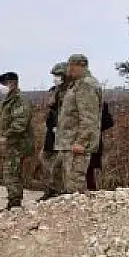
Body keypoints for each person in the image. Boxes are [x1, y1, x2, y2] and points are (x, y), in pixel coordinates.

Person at [53, 53, 103, 194]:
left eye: (71, 65)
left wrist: (81, 141)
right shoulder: (76, 84)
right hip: (68, 143)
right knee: (68, 187)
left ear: (79, 66)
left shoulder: (85, 85)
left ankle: (80, 215)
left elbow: (89, 117)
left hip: (76, 144)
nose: (68, 69)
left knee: (75, 188)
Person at [0, 71, 34, 209]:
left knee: (11, 173)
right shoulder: (8, 100)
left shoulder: (19, 100)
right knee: (10, 172)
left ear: (12, 83)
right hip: (11, 144)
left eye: (4, 84)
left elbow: (20, 123)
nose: (2, 87)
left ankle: (14, 203)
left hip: (18, 143)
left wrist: (7, 135)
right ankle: (13, 201)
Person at [39, 62, 70, 200]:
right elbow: (52, 112)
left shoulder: (71, 92)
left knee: (60, 165)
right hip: (52, 135)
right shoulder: (56, 91)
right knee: (45, 159)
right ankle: (51, 189)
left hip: (65, 136)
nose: (55, 78)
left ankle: (58, 190)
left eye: (58, 75)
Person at [87, 99, 115, 191]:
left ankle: (90, 194)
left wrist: (96, 128)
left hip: (91, 141)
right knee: (88, 171)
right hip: (93, 140)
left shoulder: (100, 103)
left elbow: (109, 122)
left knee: (88, 170)